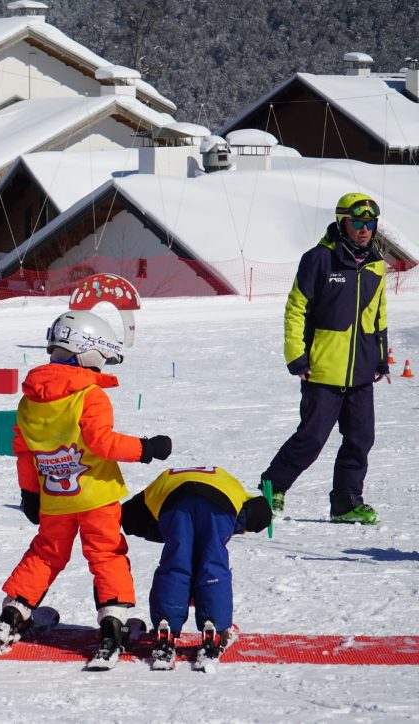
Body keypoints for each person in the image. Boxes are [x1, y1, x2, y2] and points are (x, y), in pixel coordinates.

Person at [0, 310, 172, 664]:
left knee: (45, 555)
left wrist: (30, 493)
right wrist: (147, 449)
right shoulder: (89, 395)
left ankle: (12, 615)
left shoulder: (29, 400)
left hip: (55, 497)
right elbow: (102, 442)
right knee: (106, 554)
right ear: (87, 350)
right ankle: (113, 625)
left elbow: (24, 452)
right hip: (97, 496)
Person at [261, 193, 389, 525]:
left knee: (361, 439)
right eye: (357, 223)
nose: (364, 230)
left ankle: (346, 503)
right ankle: (272, 487)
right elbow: (296, 309)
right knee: (312, 438)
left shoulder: (375, 264)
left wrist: (380, 358)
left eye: (369, 224)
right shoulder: (319, 259)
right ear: (341, 222)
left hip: (360, 371)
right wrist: (297, 357)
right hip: (321, 368)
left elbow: (379, 315)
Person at [121, 466, 272, 666]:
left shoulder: (162, 480)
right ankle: (215, 629)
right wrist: (225, 531)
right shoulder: (228, 480)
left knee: (175, 565)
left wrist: (166, 534)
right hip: (220, 502)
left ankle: (165, 626)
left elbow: (131, 517)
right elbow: (259, 512)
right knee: (213, 564)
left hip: (174, 501)